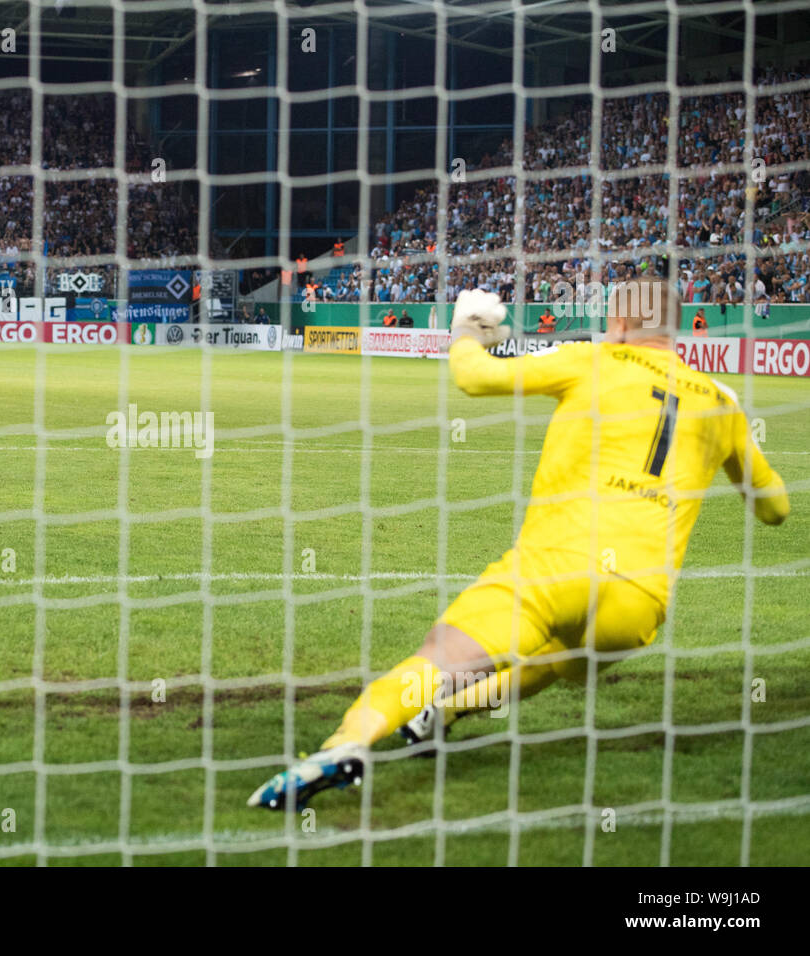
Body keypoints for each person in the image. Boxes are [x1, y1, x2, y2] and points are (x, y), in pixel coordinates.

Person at [248, 279, 789, 810]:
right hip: (638, 602)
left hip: (555, 566)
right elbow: (775, 509)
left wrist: (464, 330)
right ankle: (446, 715)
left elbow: (475, 378)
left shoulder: (594, 360)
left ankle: (344, 746)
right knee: (561, 660)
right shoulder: (721, 402)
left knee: (440, 660)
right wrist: (730, 434)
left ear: (620, 325)